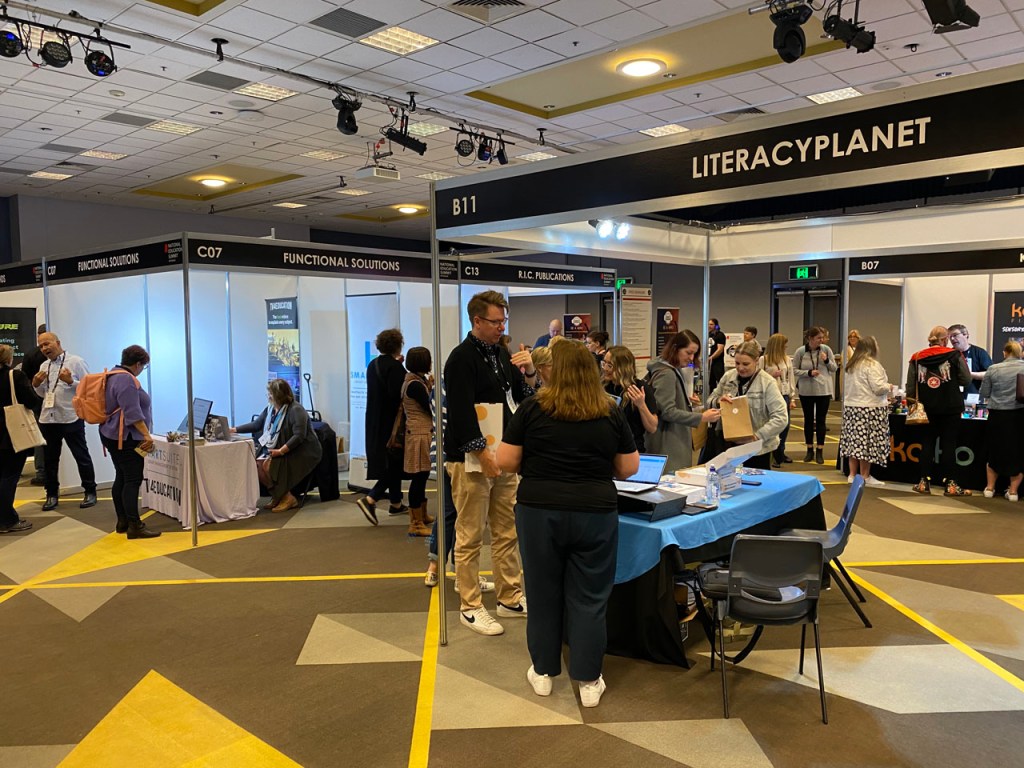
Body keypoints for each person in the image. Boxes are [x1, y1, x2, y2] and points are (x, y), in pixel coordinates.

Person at [497, 340, 639, 708]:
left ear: (554, 371)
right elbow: (628, 467)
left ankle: (543, 672)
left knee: (542, 592)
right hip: (595, 512)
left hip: (539, 511)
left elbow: (506, 461)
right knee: (590, 597)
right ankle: (589, 680)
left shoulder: (533, 408)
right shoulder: (609, 411)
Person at [444, 290, 535, 636]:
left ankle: (509, 596)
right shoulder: (460, 359)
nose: (501, 327)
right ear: (477, 321)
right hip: (470, 459)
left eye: (503, 321)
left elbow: (521, 398)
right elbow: (461, 413)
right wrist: (482, 455)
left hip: (503, 454)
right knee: (469, 535)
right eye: (496, 322)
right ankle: (470, 605)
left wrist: (529, 372)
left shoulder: (501, 353)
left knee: (506, 531)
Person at [233, 379, 322, 513]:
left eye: (270, 393)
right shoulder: (270, 408)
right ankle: (278, 495)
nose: (268, 396)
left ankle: (287, 498)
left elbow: (299, 436)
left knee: (269, 466)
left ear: (279, 395)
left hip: (303, 451)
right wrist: (233, 430)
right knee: (257, 465)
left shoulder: (296, 410)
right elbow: (257, 425)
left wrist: (280, 451)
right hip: (283, 447)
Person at [31, 332, 96, 511]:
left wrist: (71, 382)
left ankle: (90, 491)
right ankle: (51, 494)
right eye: (41, 346)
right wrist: (36, 385)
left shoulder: (76, 362)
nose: (44, 348)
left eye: (47, 344)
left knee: (81, 456)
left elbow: (89, 389)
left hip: (70, 417)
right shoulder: (44, 365)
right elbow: (44, 393)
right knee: (50, 460)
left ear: (58, 343)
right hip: (48, 419)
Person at [99, 345, 158, 538]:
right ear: (138, 364)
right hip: (126, 437)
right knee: (132, 480)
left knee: (122, 477)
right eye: (143, 366)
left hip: (111, 434)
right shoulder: (126, 379)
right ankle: (135, 525)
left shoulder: (112, 374)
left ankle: (123, 521)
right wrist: (147, 435)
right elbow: (133, 413)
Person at [905, 325, 972, 496]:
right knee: (949, 444)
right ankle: (951, 485)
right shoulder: (955, 355)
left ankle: (923, 482)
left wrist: (911, 404)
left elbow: (911, 386)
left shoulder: (917, 357)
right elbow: (966, 380)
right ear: (945, 340)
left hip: (926, 409)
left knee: (927, 443)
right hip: (951, 407)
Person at [646, 330, 721, 472]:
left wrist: (687, 403)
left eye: (694, 354)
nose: (691, 358)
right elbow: (667, 412)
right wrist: (702, 417)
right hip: (670, 444)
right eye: (688, 353)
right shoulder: (667, 373)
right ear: (675, 349)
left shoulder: (666, 368)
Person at [707, 341, 788, 470]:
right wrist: (718, 401)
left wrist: (757, 436)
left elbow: (781, 418)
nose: (740, 368)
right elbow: (710, 400)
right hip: (728, 446)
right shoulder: (728, 377)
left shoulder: (767, 383)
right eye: (737, 363)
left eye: (745, 364)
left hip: (758, 450)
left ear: (756, 361)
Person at [357, 329, 409, 525]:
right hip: (392, 423)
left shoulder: (373, 365)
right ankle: (371, 498)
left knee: (390, 461)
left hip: (374, 419)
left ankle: (395, 503)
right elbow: (397, 394)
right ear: (398, 345)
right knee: (396, 461)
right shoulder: (395, 368)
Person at [839, 337, 891, 487]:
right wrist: (889, 386)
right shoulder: (872, 365)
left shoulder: (851, 364)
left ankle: (852, 474)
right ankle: (865, 475)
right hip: (869, 408)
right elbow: (878, 388)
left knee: (854, 442)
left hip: (852, 407)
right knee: (867, 444)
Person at [979, 341, 1024, 501]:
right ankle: (1013, 492)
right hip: (1019, 415)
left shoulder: (993, 369)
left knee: (994, 452)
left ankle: (990, 488)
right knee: (1018, 453)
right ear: (1020, 353)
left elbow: (984, 392)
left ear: (1005, 353)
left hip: (997, 415)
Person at [0, 344, 36, 533]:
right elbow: (31, 401)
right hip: (11, 435)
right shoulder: (14, 376)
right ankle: (7, 520)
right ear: (8, 359)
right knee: (9, 477)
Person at [401, 347, 434, 537]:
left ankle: (422, 515)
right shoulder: (415, 385)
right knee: (419, 478)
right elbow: (431, 406)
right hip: (419, 435)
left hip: (418, 433)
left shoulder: (415, 381)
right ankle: (415, 523)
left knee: (422, 476)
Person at [793, 326, 838, 464]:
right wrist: (808, 373)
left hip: (823, 390)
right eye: (818, 338)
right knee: (808, 420)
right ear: (810, 338)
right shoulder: (801, 352)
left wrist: (826, 360)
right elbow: (794, 370)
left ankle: (820, 450)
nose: (821, 340)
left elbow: (834, 368)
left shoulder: (826, 350)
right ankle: (809, 449)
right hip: (806, 390)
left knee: (821, 420)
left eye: (822, 338)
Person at [601, 345, 659, 453]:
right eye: (604, 363)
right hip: (605, 449)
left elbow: (652, 427)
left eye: (610, 365)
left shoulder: (639, 388)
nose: (605, 368)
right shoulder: (602, 386)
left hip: (631, 450)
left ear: (622, 368)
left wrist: (641, 405)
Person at [760, 333, 795, 467]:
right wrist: (771, 374)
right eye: (784, 344)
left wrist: (792, 396)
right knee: (772, 424)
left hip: (784, 394)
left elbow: (790, 378)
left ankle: (780, 451)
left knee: (785, 425)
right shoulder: (764, 359)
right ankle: (772, 453)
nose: (786, 347)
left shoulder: (787, 359)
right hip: (769, 395)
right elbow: (758, 376)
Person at [20, 324, 47, 486]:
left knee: (40, 437)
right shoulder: (33, 355)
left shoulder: (31, 354)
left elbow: (25, 380)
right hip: (44, 401)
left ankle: (42, 472)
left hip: (37, 401)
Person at [948, 324, 992, 398]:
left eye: (955, 335)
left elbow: (989, 374)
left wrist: (969, 374)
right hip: (954, 397)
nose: (952, 339)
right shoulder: (949, 354)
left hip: (974, 397)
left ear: (965, 335)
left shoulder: (979, 352)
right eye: (950, 336)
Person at [707, 318, 726, 392]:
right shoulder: (709, 335)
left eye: (711, 324)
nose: (709, 326)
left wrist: (711, 357)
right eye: (708, 324)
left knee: (721, 381)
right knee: (711, 383)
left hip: (718, 363)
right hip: (710, 362)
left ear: (716, 326)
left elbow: (720, 350)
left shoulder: (720, 335)